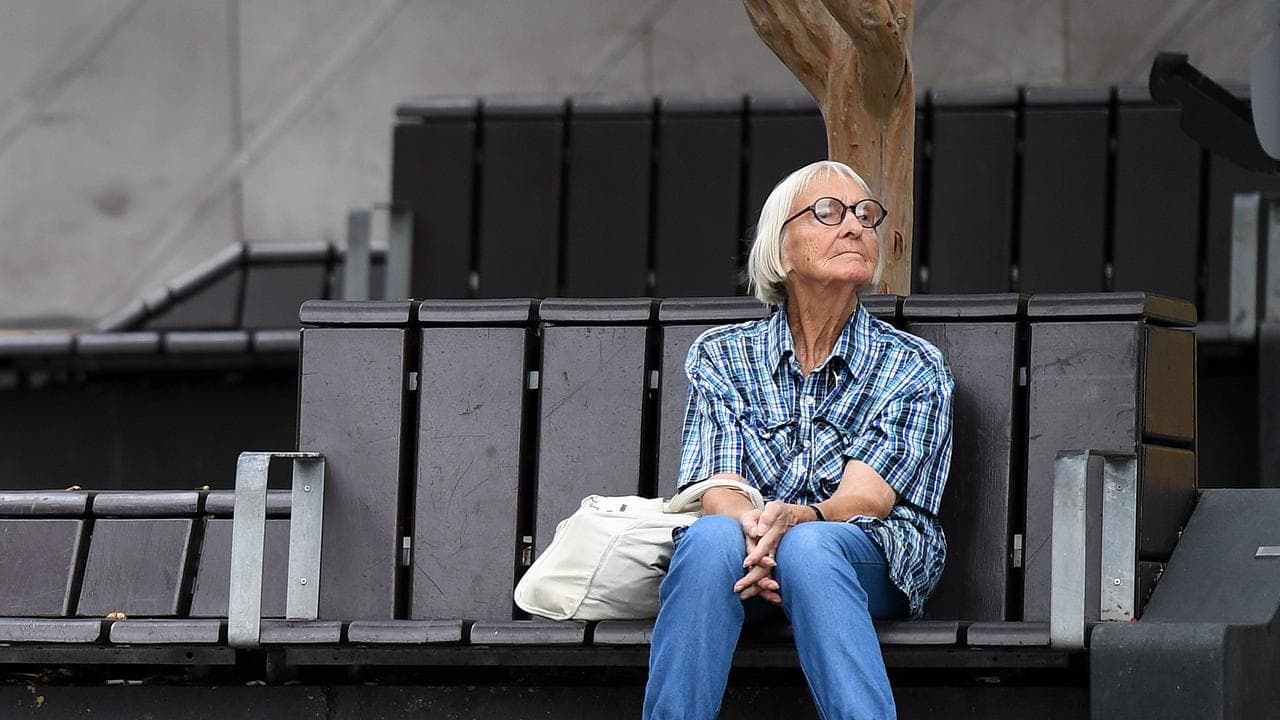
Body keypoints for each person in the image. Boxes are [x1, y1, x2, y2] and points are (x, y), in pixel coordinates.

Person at [642, 160, 954, 720]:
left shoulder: (912, 366)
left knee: (812, 548)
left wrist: (796, 523)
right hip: (748, 563)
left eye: (865, 214)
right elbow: (718, 484)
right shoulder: (722, 355)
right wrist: (759, 535)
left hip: (869, 557)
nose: (855, 227)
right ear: (780, 252)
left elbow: (866, 501)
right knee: (711, 537)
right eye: (828, 213)